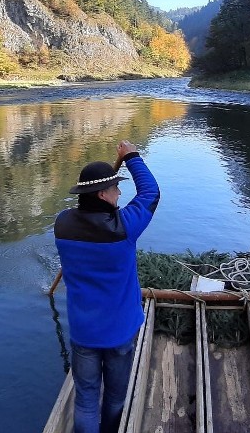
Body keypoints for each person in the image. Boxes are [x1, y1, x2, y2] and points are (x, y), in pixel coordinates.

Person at [54, 140, 160, 433]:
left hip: (84, 332)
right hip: (119, 332)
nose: (120, 193)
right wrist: (131, 156)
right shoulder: (124, 227)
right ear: (102, 194)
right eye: (115, 189)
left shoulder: (61, 224)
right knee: (114, 398)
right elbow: (151, 193)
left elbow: (81, 215)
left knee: (86, 400)